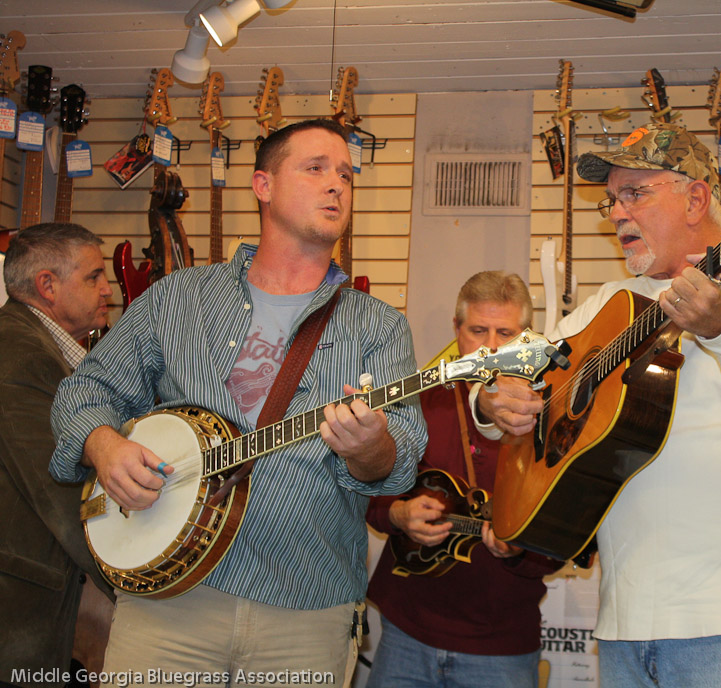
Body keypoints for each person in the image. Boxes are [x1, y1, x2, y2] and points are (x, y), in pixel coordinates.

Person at [48, 119, 428, 686]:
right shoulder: (178, 299)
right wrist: (104, 447)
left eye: (346, 175)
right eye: (316, 168)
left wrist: (370, 446)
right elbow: (86, 391)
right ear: (262, 185)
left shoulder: (379, 327)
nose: (337, 185)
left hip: (307, 607)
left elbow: (398, 464)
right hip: (168, 597)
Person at [473, 122, 721, 687]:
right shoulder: (611, 303)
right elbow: (512, 373)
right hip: (626, 624)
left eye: (635, 194)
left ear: (695, 198)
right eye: (612, 200)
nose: (616, 213)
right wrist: (491, 400)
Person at [364, 270, 563, 688]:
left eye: (505, 333)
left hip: (502, 646)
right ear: (456, 330)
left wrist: (519, 550)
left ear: (526, 338)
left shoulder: (553, 419)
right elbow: (370, 492)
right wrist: (398, 514)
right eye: (477, 330)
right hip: (406, 631)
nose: (491, 347)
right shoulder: (421, 401)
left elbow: (561, 539)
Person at [0, 223, 114, 687]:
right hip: (21, 608)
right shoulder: (23, 355)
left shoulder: (43, 348)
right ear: (47, 285)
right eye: (94, 277)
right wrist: (139, 588)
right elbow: (59, 493)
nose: (109, 289)